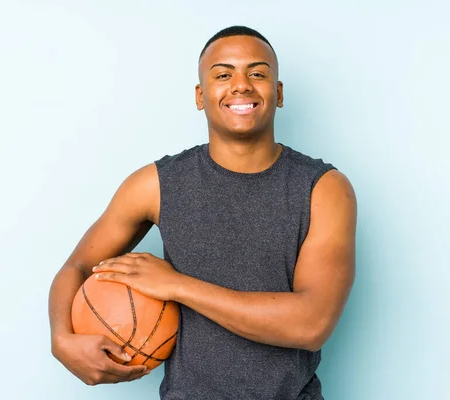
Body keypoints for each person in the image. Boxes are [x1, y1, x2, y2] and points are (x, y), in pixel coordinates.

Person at [49, 25, 357, 400]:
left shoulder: (324, 188)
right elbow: (78, 267)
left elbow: (312, 323)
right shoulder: (156, 184)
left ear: (277, 94)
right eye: (223, 74)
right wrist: (62, 339)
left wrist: (178, 285)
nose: (241, 85)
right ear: (200, 95)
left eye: (257, 73)